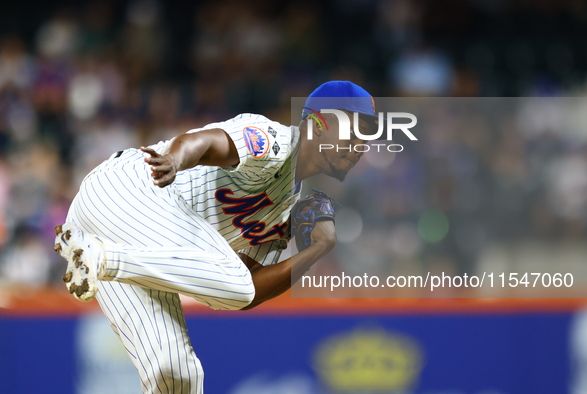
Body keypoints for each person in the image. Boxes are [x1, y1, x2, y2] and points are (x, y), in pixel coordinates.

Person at [54, 80, 377, 393]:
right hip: (127, 190)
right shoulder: (275, 141)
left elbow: (248, 293)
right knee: (234, 280)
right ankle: (102, 258)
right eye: (355, 129)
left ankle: (98, 258)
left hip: (121, 245)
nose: (362, 144)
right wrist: (174, 160)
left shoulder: (284, 212)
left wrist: (319, 248)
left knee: (176, 372)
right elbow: (207, 141)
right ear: (318, 124)